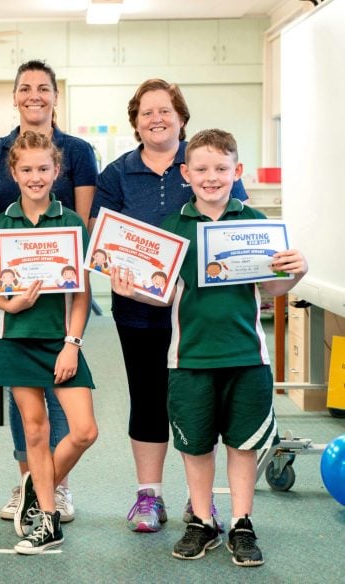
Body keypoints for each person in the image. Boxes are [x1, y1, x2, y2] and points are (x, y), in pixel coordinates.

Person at [110, 128, 307, 566]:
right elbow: (161, 294)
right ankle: (202, 521)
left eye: (221, 168)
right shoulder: (173, 227)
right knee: (196, 445)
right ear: (186, 173)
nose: (211, 176)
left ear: (237, 171)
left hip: (245, 357)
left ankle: (241, 523)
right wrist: (130, 289)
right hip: (190, 359)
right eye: (201, 169)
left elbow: (272, 287)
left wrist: (297, 273)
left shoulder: (257, 224)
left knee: (241, 445)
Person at [89, 79, 249, 533]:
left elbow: (233, 230)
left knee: (201, 404)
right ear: (135, 122)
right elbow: (102, 236)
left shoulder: (202, 164)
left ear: (181, 117)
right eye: (146, 112)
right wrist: (115, 270)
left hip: (199, 314)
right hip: (138, 311)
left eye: (165, 111)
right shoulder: (117, 174)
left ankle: (201, 502)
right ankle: (149, 496)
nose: (156, 119)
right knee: (147, 399)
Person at [0, 60, 97, 523]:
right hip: (17, 304)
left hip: (59, 303)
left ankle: (52, 487)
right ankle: (32, 483)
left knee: (71, 416)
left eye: (44, 87)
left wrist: (72, 332)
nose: (34, 95)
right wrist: (0, 290)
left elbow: (80, 228)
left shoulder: (78, 151)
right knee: (30, 417)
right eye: (25, 87)